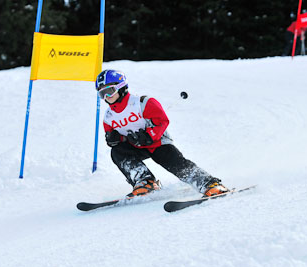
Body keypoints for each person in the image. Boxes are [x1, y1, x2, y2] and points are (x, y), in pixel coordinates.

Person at [96, 69, 229, 199]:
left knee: (175, 163)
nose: (106, 97)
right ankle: (145, 182)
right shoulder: (109, 116)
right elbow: (112, 135)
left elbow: (162, 121)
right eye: (102, 94)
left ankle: (210, 184)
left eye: (109, 91)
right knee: (117, 152)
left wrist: (149, 136)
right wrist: (115, 139)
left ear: (121, 87)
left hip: (157, 143)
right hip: (136, 147)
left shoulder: (142, 102)